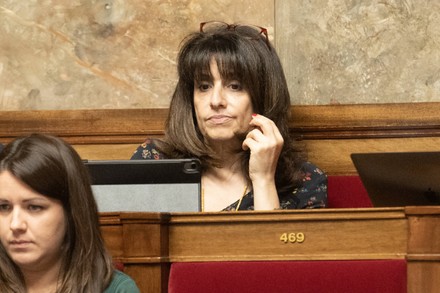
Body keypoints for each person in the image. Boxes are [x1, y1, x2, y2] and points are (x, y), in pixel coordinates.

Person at [131, 21, 327, 211]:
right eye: (204, 86)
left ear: (263, 96)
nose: (216, 101)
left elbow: (275, 245)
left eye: (235, 86)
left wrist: (264, 180)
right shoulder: (153, 162)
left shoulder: (304, 182)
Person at [0, 133, 140, 293]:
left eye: (34, 207)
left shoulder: (117, 290)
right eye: (4, 207)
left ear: (71, 212)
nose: (15, 224)